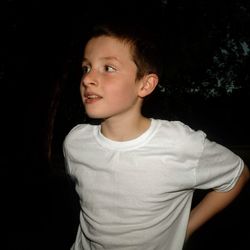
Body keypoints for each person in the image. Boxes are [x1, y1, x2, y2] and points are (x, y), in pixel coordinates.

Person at [62, 21, 250, 250]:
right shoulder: (76, 143)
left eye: (108, 68)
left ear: (145, 84)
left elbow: (238, 175)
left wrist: (187, 228)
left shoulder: (179, 144)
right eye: (86, 67)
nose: (87, 79)